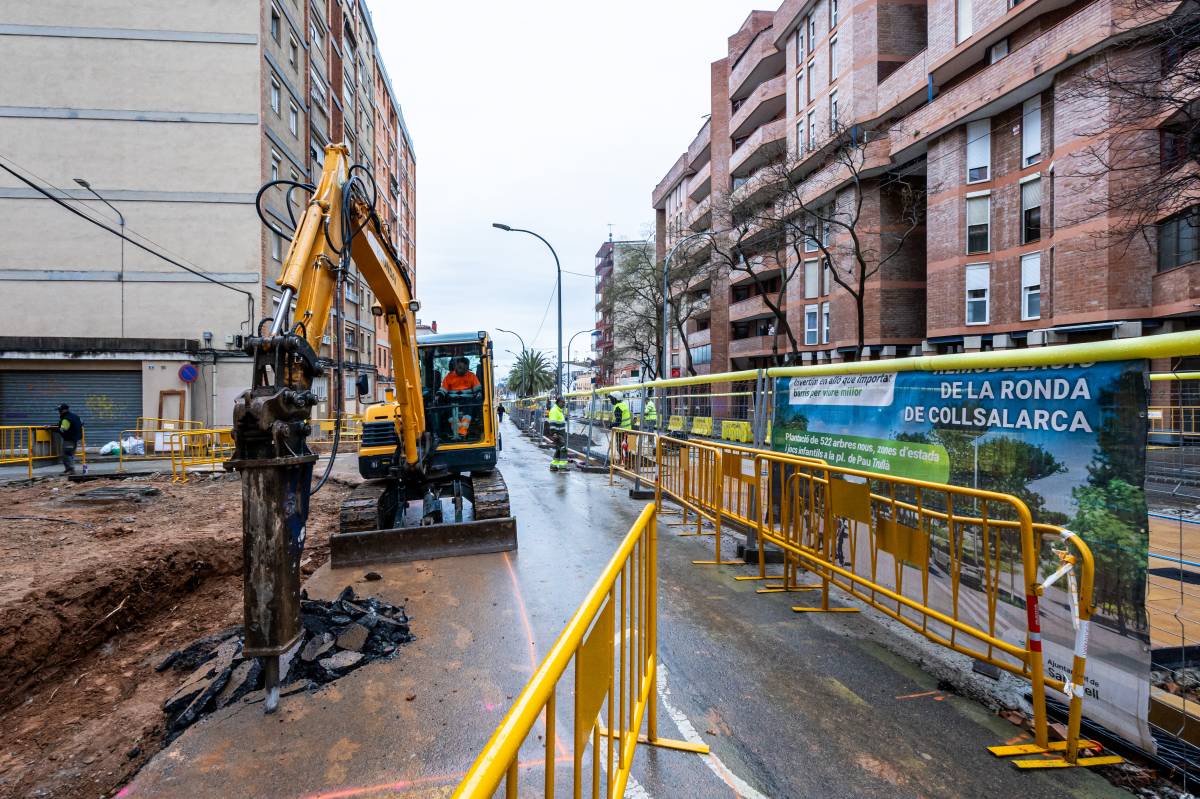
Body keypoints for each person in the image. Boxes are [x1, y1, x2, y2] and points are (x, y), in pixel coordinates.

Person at [440, 357, 482, 440]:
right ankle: (457, 432)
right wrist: (439, 395)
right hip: (452, 400)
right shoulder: (449, 376)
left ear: (467, 368)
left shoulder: (472, 376)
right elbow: (443, 389)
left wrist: (478, 394)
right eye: (460, 368)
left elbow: (477, 389)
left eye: (465, 368)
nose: (462, 370)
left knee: (468, 413)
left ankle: (462, 433)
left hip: (467, 400)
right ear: (455, 367)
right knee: (450, 412)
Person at [56, 403, 84, 475]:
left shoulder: (66, 418)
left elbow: (63, 429)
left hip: (69, 439)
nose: (59, 412)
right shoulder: (75, 416)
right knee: (70, 454)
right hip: (75, 438)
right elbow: (82, 423)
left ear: (64, 410)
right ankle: (68, 469)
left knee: (67, 454)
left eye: (60, 410)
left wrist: (55, 429)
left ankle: (70, 470)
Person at [547, 396, 568, 471]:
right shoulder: (554, 410)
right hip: (558, 434)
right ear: (558, 402)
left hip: (560, 434)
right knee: (563, 449)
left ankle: (553, 465)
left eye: (564, 403)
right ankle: (562, 467)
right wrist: (554, 434)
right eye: (563, 402)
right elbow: (552, 423)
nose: (564, 404)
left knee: (559, 449)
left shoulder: (558, 410)